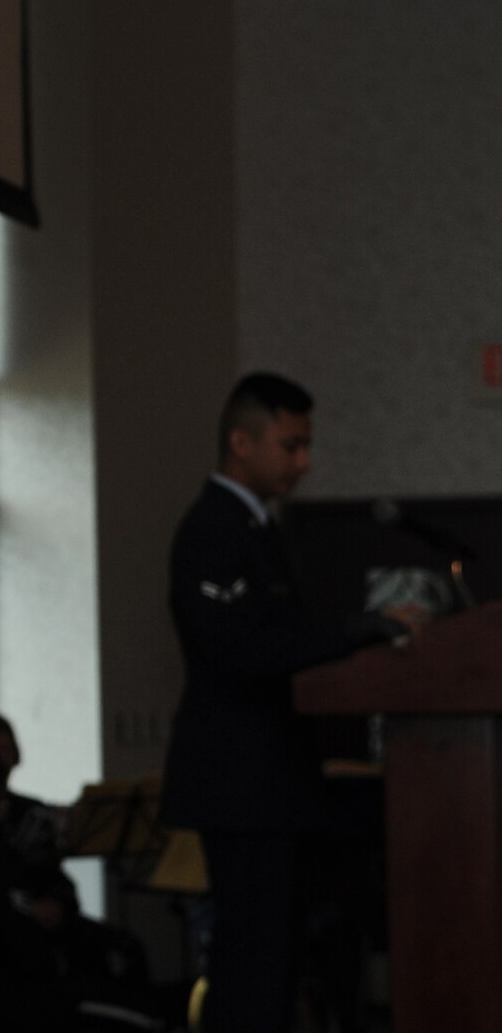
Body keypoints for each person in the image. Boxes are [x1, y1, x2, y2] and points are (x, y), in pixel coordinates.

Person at [159, 372, 426, 1033]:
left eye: (307, 445)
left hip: (268, 778)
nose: (303, 461)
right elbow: (242, 648)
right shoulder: (213, 529)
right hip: (240, 779)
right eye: (290, 444)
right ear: (241, 441)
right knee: (250, 960)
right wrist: (362, 625)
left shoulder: (254, 526)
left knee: (272, 958)